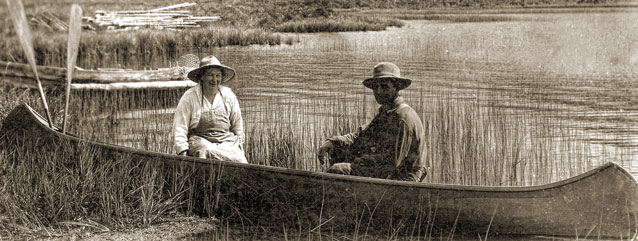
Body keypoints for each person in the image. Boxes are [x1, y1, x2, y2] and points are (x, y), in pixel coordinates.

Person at [317, 62, 427, 182]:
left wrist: (358, 163)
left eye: (384, 87)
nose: (379, 92)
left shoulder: (403, 118)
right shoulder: (386, 111)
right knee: (338, 150)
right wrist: (334, 142)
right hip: (388, 171)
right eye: (375, 87)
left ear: (397, 88)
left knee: (337, 170)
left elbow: (392, 163)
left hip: (403, 179)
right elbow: (362, 135)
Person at [173, 55, 248, 163]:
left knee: (240, 161)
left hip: (226, 143)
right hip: (200, 141)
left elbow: (237, 126)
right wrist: (182, 153)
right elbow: (180, 128)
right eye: (210, 75)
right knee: (206, 151)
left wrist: (240, 147)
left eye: (218, 75)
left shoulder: (228, 96)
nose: (214, 79)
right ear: (202, 77)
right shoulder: (189, 97)